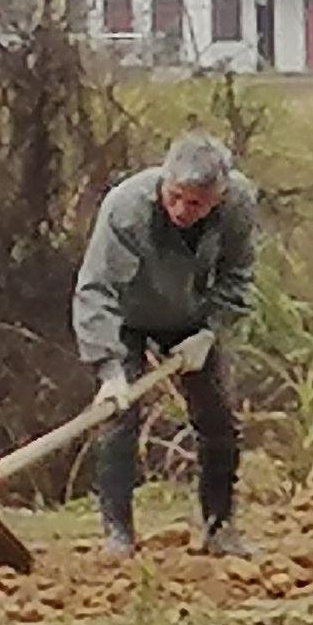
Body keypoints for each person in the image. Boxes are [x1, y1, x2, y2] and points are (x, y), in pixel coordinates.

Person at [72, 130, 260, 558]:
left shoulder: (238, 207)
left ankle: (219, 527)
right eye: (174, 196)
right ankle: (118, 534)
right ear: (164, 181)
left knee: (218, 421)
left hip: (192, 321)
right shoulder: (126, 207)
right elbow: (96, 290)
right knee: (118, 418)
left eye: (194, 203)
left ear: (218, 197)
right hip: (127, 318)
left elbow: (237, 276)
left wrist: (210, 330)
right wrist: (110, 368)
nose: (180, 210)